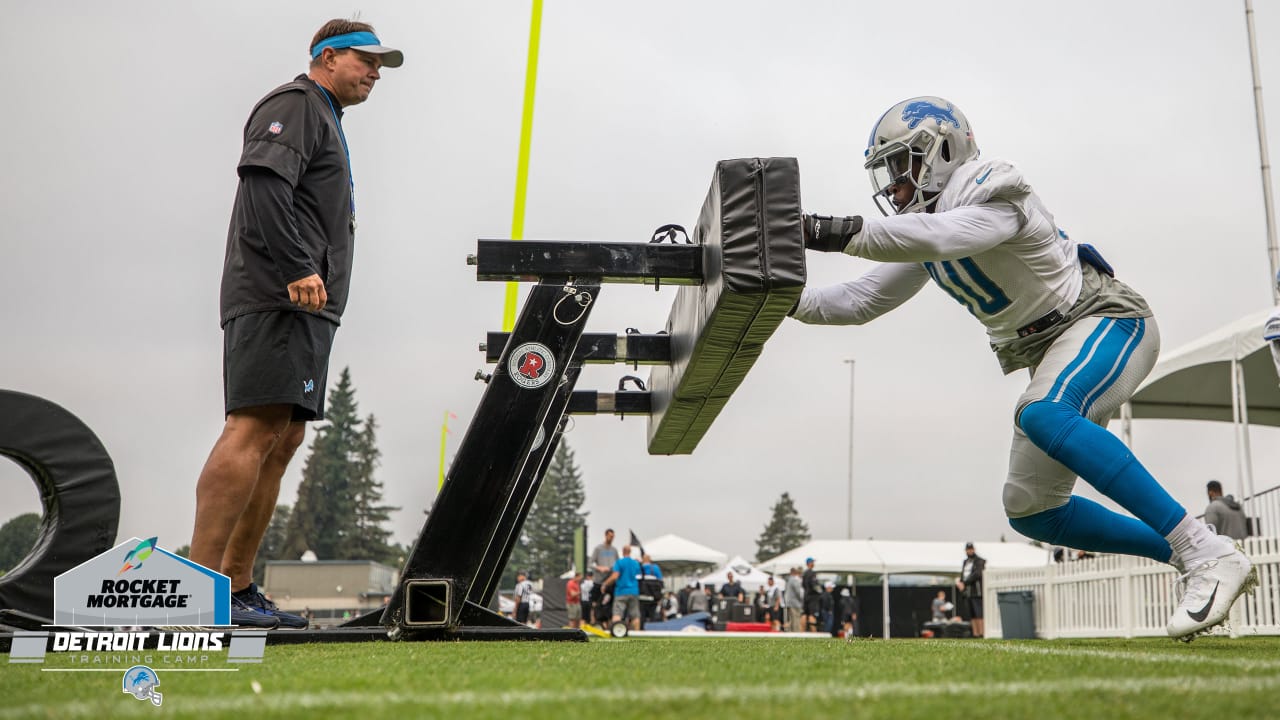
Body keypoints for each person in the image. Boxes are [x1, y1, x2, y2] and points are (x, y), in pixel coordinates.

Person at [793, 96, 1256, 641]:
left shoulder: (985, 185)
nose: (895, 183)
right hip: (1053, 348)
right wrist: (776, 294)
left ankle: (1200, 550)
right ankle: (1204, 552)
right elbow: (856, 301)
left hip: (1105, 319)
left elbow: (951, 236)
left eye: (903, 163)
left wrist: (833, 231)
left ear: (944, 148)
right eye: (889, 170)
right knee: (1032, 511)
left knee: (1041, 411)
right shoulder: (924, 225)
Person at [188, 18, 403, 630]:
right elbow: (261, 187)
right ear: (327, 57)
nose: (375, 74)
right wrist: (297, 268)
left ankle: (235, 588)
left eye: (382, 66)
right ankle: (196, 595)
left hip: (306, 304)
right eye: (366, 61)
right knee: (253, 427)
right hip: (278, 293)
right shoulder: (296, 104)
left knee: (282, 439)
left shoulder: (326, 117)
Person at [603, 545, 643, 631]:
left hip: (621, 591)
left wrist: (605, 584)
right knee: (635, 616)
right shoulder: (635, 563)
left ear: (623, 551)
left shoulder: (619, 562)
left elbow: (615, 576)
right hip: (634, 591)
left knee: (617, 613)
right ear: (630, 551)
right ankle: (637, 635)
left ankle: (617, 632)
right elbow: (638, 577)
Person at [589, 529, 619, 625]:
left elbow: (617, 564)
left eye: (613, 536)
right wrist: (599, 568)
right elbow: (590, 563)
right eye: (610, 536)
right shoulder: (598, 548)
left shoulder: (614, 550)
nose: (611, 538)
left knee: (609, 603)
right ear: (605, 535)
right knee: (596, 603)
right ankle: (594, 622)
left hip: (610, 582)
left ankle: (609, 624)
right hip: (599, 581)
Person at [957, 543, 986, 638]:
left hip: (977, 592)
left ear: (974, 549)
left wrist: (964, 583)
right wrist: (961, 583)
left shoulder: (980, 561)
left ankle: (982, 633)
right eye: (967, 549)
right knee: (972, 614)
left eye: (971, 549)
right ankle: (975, 634)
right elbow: (963, 575)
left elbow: (977, 574)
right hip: (967, 592)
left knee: (979, 613)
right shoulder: (965, 562)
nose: (969, 551)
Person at [638, 554, 665, 623]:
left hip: (641, 598)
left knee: (641, 616)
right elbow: (661, 582)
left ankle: (641, 630)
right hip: (653, 598)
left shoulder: (639, 568)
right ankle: (652, 628)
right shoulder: (655, 568)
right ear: (650, 560)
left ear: (642, 560)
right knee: (653, 615)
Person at [802, 557, 823, 632]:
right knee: (812, 615)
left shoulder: (804, 573)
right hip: (812, 597)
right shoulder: (812, 573)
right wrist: (820, 592)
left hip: (806, 596)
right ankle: (814, 632)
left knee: (804, 614)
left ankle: (802, 632)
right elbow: (815, 586)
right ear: (809, 563)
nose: (813, 564)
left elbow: (803, 585)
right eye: (812, 562)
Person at [784, 566, 805, 632]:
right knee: (796, 618)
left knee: (792, 618)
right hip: (795, 603)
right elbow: (798, 592)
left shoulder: (789, 580)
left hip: (790, 602)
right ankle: (796, 632)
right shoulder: (794, 580)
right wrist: (802, 600)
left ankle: (792, 632)